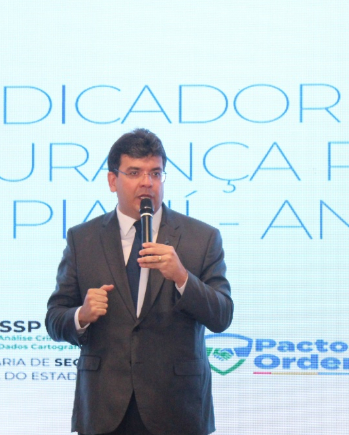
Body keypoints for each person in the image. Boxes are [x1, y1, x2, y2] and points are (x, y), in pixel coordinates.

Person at [45, 128, 233, 435]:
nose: (147, 182)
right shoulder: (83, 239)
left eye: (155, 173)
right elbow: (55, 319)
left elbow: (222, 316)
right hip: (104, 409)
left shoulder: (202, 238)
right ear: (112, 180)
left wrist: (182, 277)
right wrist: (82, 315)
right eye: (134, 172)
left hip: (177, 409)